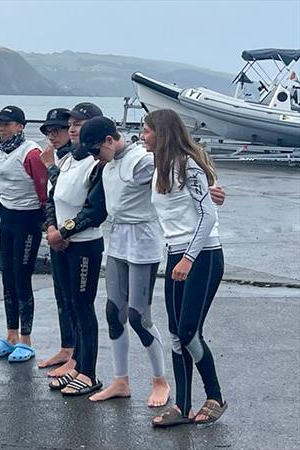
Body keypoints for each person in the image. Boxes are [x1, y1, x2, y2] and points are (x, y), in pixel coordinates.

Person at [77, 117, 170, 406]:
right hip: (118, 240)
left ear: (109, 140)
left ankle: (160, 381)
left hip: (143, 240)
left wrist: (211, 186)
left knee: (138, 316)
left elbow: (179, 169)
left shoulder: (142, 161)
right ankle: (121, 380)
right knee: (113, 312)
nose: (95, 158)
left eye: (95, 151)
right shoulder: (109, 165)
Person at [147, 109, 228, 427]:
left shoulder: (188, 165)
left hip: (202, 256)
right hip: (176, 254)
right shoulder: (158, 166)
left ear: (162, 133)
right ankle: (181, 406)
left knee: (189, 331)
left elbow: (207, 216)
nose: (143, 135)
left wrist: (189, 259)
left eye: (147, 130)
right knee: (175, 334)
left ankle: (215, 396)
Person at [45, 103, 107, 396]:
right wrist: (51, 230)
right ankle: (77, 363)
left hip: (84, 245)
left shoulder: (97, 165)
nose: (72, 128)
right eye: (71, 123)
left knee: (84, 307)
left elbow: (94, 211)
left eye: (79, 124)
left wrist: (64, 231)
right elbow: (51, 199)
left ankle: (89, 371)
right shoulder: (67, 160)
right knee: (68, 302)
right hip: (61, 243)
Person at [0, 106, 48, 363]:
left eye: (8, 124)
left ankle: (26, 339)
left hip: (27, 220)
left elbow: (44, 191)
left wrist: (48, 224)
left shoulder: (31, 153)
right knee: (8, 279)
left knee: (22, 279)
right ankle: (10, 336)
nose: (2, 127)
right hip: (8, 218)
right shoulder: (2, 151)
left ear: (20, 126)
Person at [37, 108, 79, 374]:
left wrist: (50, 166)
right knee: (61, 296)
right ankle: (66, 347)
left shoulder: (79, 158)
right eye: (49, 132)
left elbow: (75, 196)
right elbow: (51, 199)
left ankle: (77, 354)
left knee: (76, 299)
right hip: (57, 235)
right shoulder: (60, 158)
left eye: (58, 130)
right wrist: (51, 228)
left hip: (76, 237)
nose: (52, 136)